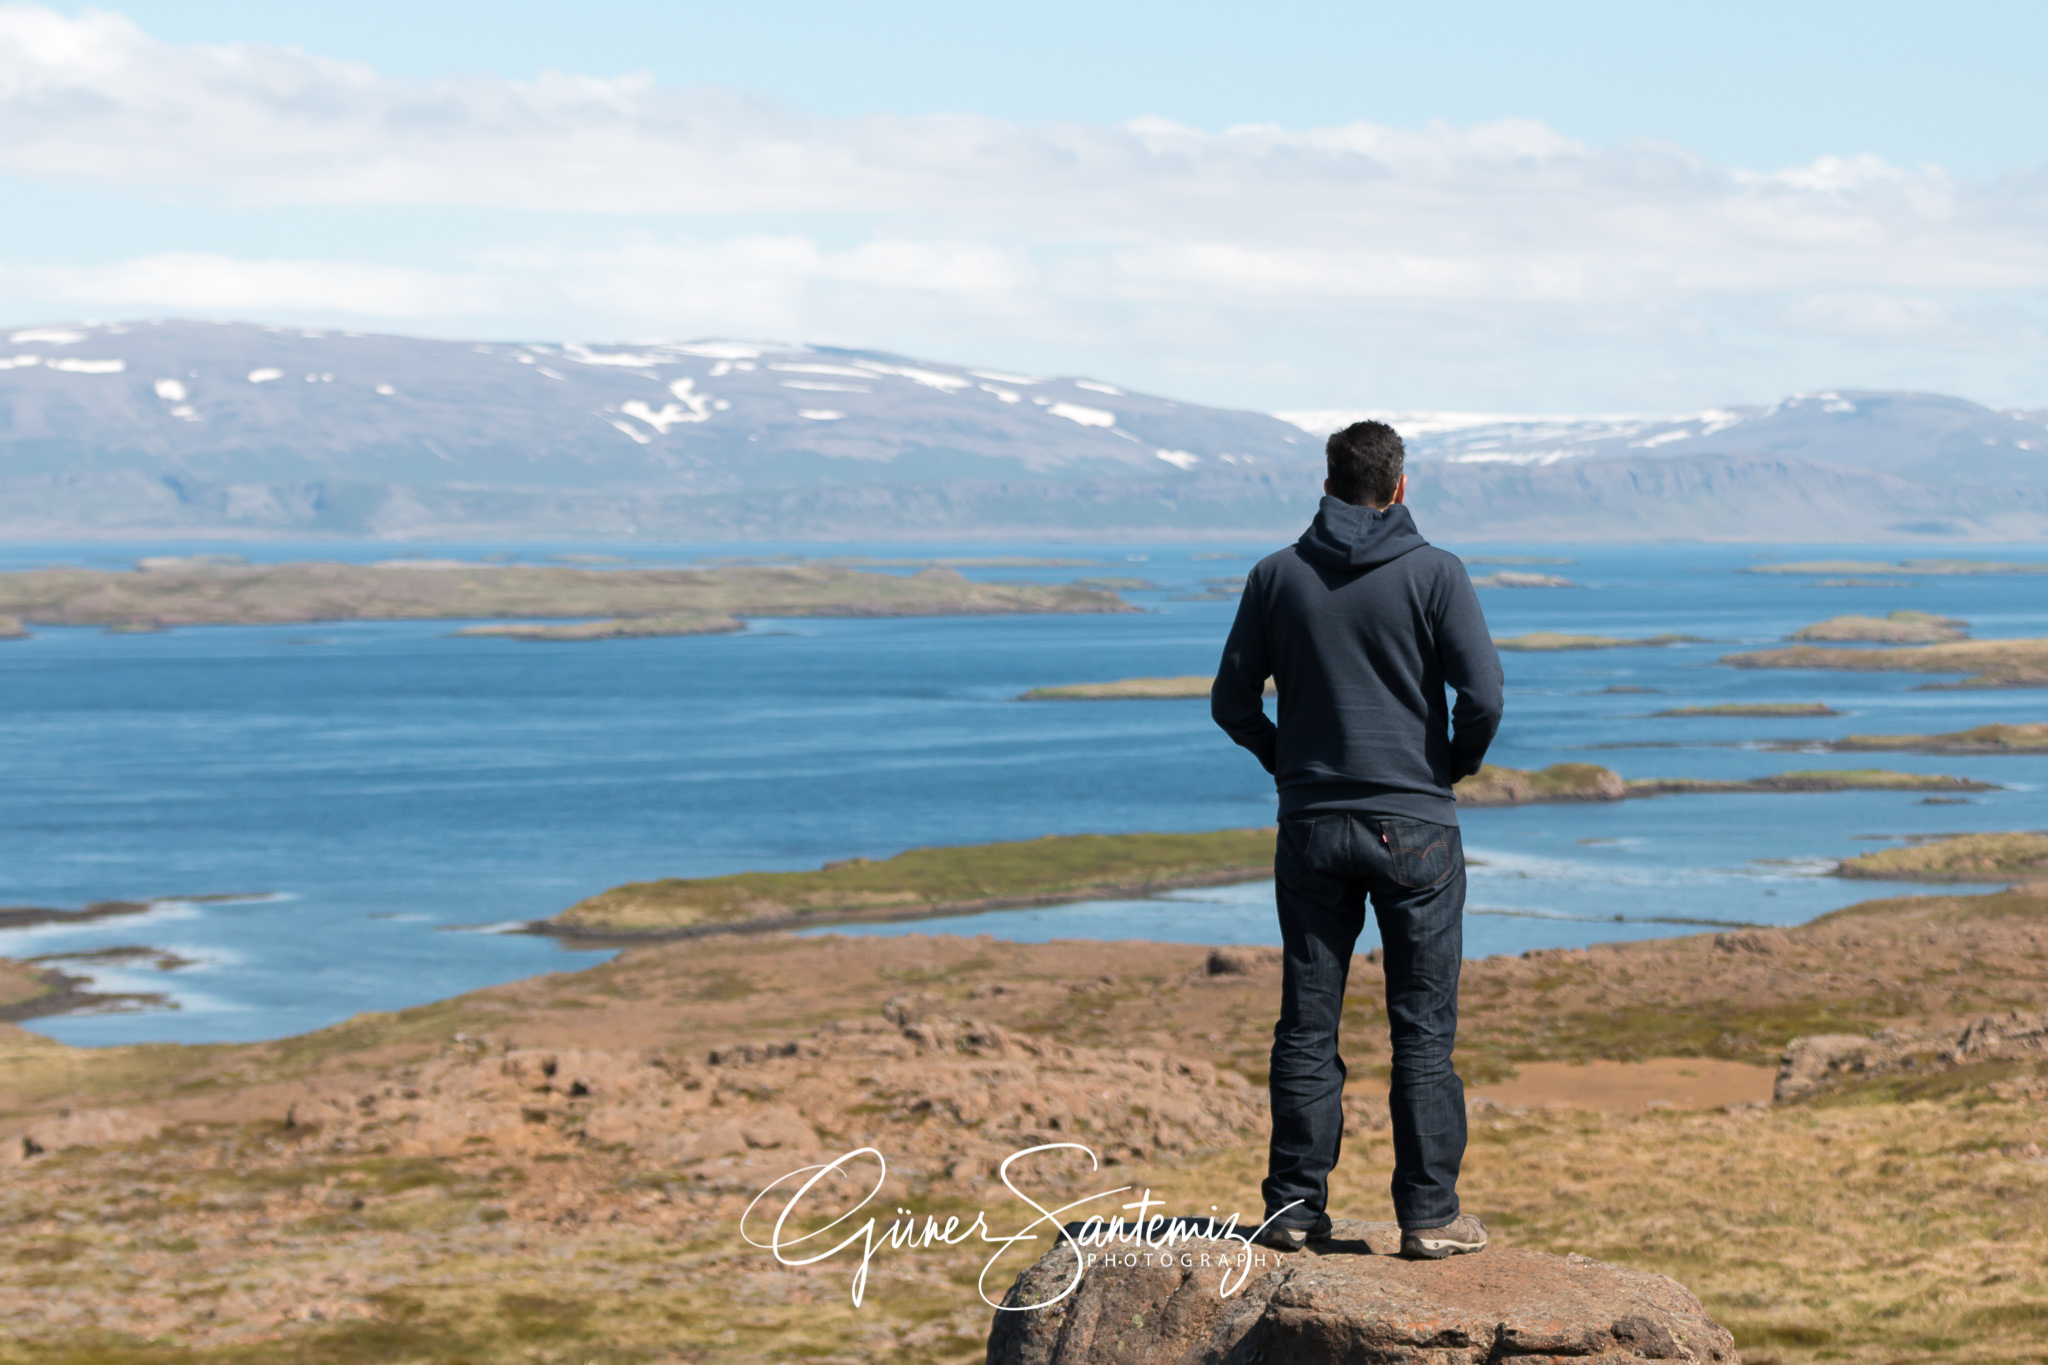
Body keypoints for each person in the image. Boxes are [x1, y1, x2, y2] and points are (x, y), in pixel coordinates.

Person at [1210, 419, 1503, 1260]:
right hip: (1418, 826)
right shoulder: (1437, 574)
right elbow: (1482, 696)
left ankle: (1293, 1211)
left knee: (1307, 1024)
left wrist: (1290, 767)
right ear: (1400, 486)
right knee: (1422, 1027)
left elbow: (1232, 705)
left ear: (1327, 482)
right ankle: (1431, 1216)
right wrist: (1448, 766)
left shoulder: (1275, 577)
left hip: (1311, 826)